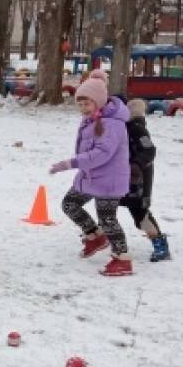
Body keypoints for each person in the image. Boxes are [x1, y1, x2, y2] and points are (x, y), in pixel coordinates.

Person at [49, 77, 134, 277]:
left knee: (107, 220)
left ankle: (122, 259)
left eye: (87, 103)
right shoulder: (92, 119)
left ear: (99, 101)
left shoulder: (112, 123)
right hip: (91, 176)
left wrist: (72, 163)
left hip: (109, 180)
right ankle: (95, 237)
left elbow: (102, 153)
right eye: (80, 104)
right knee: (69, 204)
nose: (83, 108)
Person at [120, 99, 171, 262]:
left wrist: (136, 165)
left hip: (139, 180)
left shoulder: (137, 129)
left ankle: (160, 244)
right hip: (125, 178)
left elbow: (149, 150)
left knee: (140, 214)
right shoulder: (125, 127)